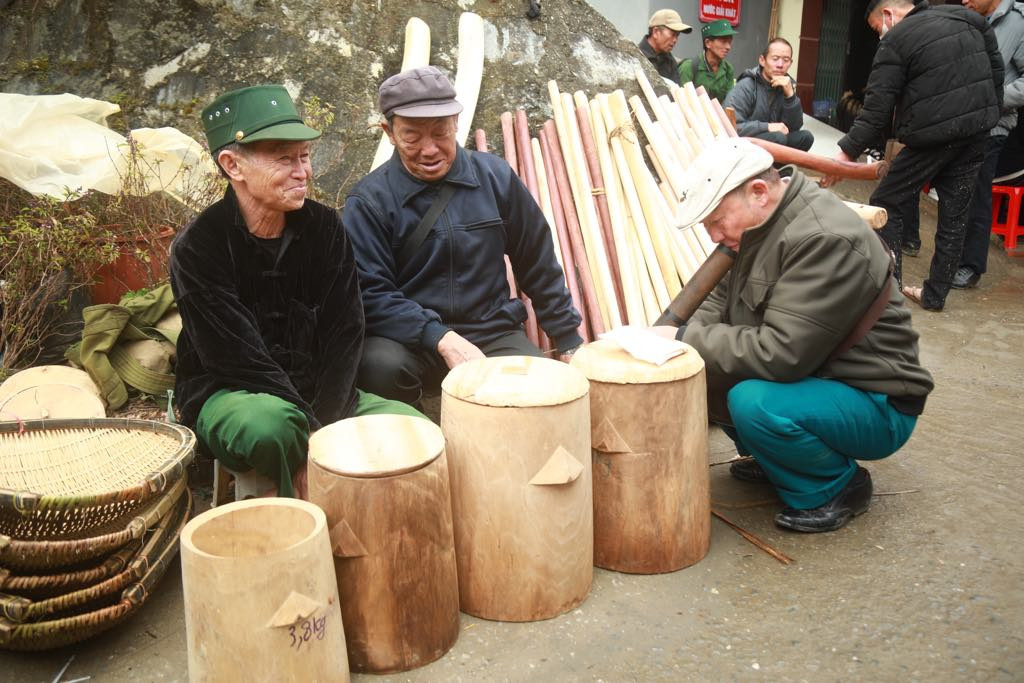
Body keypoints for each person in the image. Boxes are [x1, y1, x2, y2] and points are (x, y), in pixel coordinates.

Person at [656, 138, 934, 533]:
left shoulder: (824, 237)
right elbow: (717, 301)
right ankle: (780, 458)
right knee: (703, 370)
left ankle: (836, 486)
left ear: (758, 192)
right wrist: (669, 342)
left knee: (753, 401)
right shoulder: (761, 224)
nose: (714, 235)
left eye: (717, 221)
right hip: (822, 380)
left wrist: (684, 338)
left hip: (877, 400)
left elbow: (781, 354)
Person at [170, 85, 423, 499]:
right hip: (236, 392)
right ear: (233, 165)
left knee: (414, 431)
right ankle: (297, 532)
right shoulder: (200, 246)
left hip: (321, 397)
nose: (302, 171)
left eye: (304, 156)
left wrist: (323, 428)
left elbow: (345, 333)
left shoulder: (324, 227)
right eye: (283, 158)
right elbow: (238, 359)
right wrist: (315, 439)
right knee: (271, 429)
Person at [344, 67, 583, 406]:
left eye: (440, 132)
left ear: (456, 121)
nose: (429, 149)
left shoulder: (496, 178)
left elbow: (537, 260)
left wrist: (568, 338)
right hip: (412, 342)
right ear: (389, 133)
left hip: (491, 334)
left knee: (536, 389)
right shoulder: (370, 201)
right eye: (412, 136)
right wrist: (439, 336)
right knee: (378, 366)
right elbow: (370, 292)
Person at [828, 0, 1003, 311]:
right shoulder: (969, 18)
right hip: (977, 130)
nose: (878, 35)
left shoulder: (897, 38)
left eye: (875, 28)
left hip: (933, 136)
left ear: (888, 14)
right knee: (955, 214)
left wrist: (844, 155)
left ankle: (890, 290)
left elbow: (876, 110)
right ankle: (935, 296)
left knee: (887, 200)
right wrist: (985, 113)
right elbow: (997, 71)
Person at [953, 0, 1024, 289]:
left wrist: (994, 99)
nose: (964, 0)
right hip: (963, 122)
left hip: (994, 125)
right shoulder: (972, 18)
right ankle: (953, 259)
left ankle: (971, 265)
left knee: (977, 192)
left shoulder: (1018, 21)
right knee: (956, 192)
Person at [723, 38, 814, 151]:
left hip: (773, 141)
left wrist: (790, 96)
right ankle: (767, 168)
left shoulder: (786, 86)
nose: (780, 65)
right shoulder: (746, 86)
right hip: (742, 145)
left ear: (790, 63)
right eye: (775, 59)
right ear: (762, 60)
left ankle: (779, 168)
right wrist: (767, 127)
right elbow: (731, 126)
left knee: (805, 137)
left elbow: (794, 127)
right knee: (778, 138)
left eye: (786, 60)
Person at [678, 19, 737, 103]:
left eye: (729, 42)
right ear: (708, 43)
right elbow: (682, 101)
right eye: (723, 42)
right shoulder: (689, 67)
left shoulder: (728, 69)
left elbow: (729, 102)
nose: (728, 47)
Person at [637, 9, 693, 83]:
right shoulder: (635, 56)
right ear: (656, 32)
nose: (675, 40)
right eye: (673, 34)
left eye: (677, 35)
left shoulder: (670, 61)